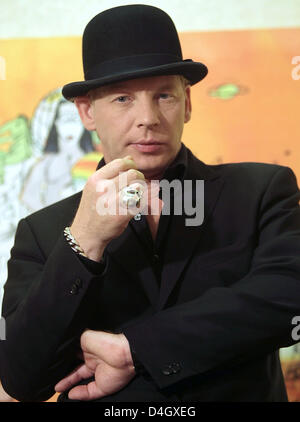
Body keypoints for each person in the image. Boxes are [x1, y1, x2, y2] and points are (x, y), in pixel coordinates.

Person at [1, 4, 300, 402]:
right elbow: (21, 377)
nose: (148, 118)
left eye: (164, 96)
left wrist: (133, 349)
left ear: (188, 103)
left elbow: (287, 300)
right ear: (87, 111)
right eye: (123, 99)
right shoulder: (43, 230)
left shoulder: (262, 189)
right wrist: (84, 242)